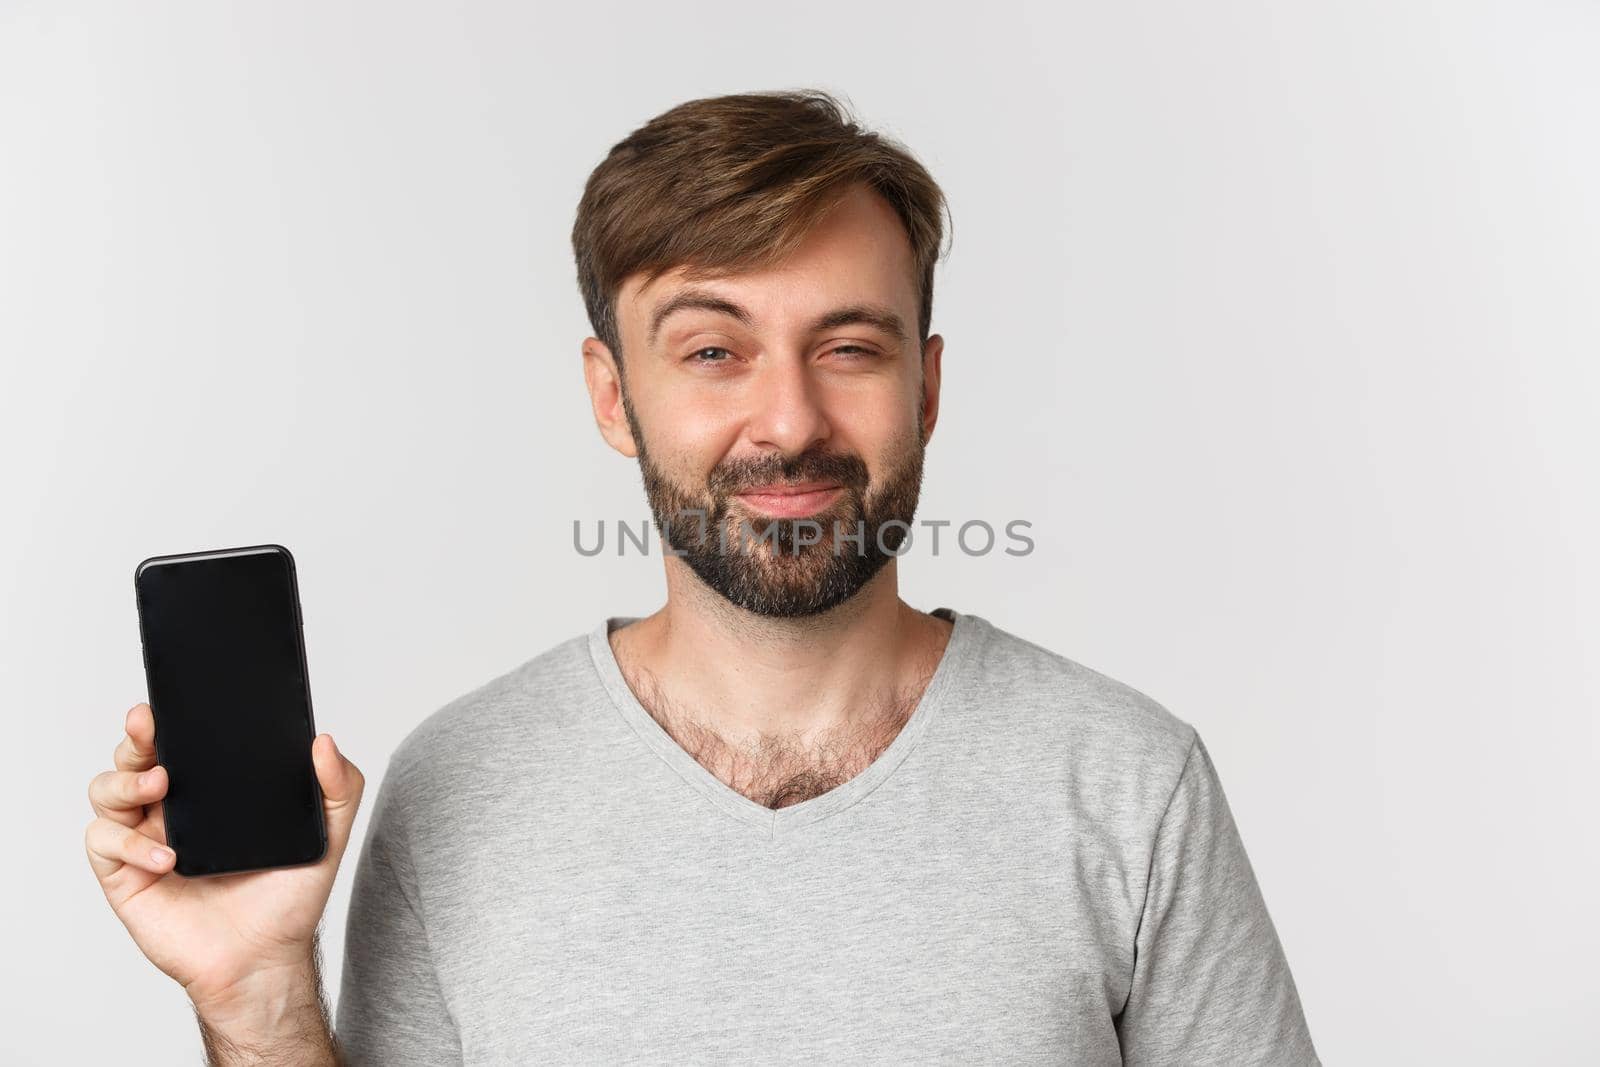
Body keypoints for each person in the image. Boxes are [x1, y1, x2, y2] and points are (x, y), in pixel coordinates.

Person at [85, 89, 1320, 1064]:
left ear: (927, 387)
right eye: (713, 350)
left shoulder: (1128, 779)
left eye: (847, 345)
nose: (787, 420)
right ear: (614, 396)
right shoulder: (457, 787)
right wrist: (256, 997)